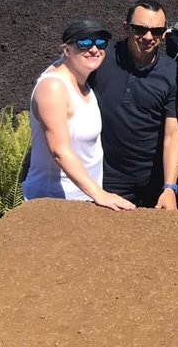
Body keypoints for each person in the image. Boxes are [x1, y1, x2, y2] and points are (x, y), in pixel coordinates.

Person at [22, 18, 135, 211]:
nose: (94, 49)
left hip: (83, 200)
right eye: (84, 43)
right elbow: (59, 150)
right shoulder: (53, 87)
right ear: (67, 50)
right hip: (53, 202)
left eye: (100, 43)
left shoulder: (83, 80)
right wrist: (99, 194)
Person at [88, 0, 178, 209]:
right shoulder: (100, 60)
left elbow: (173, 133)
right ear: (126, 28)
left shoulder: (171, 72)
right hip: (108, 181)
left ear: (164, 33)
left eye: (157, 31)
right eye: (140, 29)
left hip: (155, 183)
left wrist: (170, 187)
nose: (148, 37)